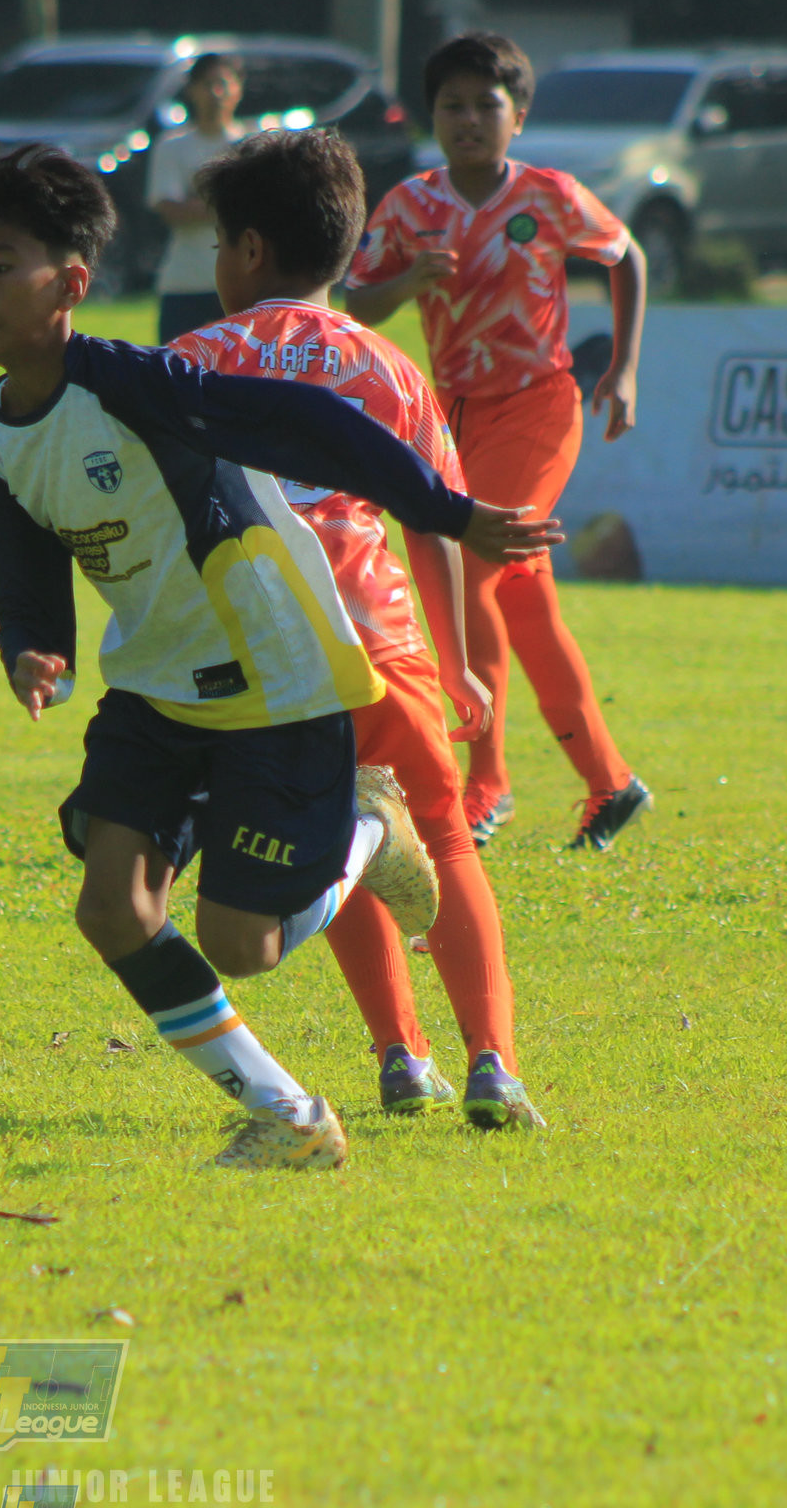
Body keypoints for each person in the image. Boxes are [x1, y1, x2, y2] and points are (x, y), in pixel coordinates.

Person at [0, 143, 559, 1168]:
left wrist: (451, 513)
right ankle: (289, 1114)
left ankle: (369, 829)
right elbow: (23, 561)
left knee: (245, 944)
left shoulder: (144, 382)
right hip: (154, 689)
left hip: (272, 678)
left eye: (0, 264)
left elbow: (303, 422)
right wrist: (34, 647)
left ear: (72, 284)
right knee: (112, 906)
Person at [170, 127, 540, 1130]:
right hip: (375, 637)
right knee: (443, 840)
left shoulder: (187, 362)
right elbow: (440, 522)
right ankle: (493, 1064)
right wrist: (459, 661)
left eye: (216, 247)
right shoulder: (386, 366)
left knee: (335, 830)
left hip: (248, 653)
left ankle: (397, 1056)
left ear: (247, 251)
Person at [346, 30, 652, 853]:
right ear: (430, 115)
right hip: (453, 417)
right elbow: (355, 300)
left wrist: (619, 369)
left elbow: (625, 258)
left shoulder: (549, 194)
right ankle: (610, 783)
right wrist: (409, 282)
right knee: (523, 601)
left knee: (468, 566)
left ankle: (486, 782)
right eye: (453, 104)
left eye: (488, 103)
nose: (470, 119)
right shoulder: (409, 205)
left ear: (519, 114)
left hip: (539, 407)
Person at [145, 54, 246, 343]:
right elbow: (170, 209)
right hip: (184, 284)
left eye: (223, 83)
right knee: (176, 374)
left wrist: (199, 200)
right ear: (192, 90)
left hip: (239, 284)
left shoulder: (250, 147)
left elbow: (261, 210)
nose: (216, 93)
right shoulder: (172, 146)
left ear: (238, 88)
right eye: (207, 84)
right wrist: (230, 204)